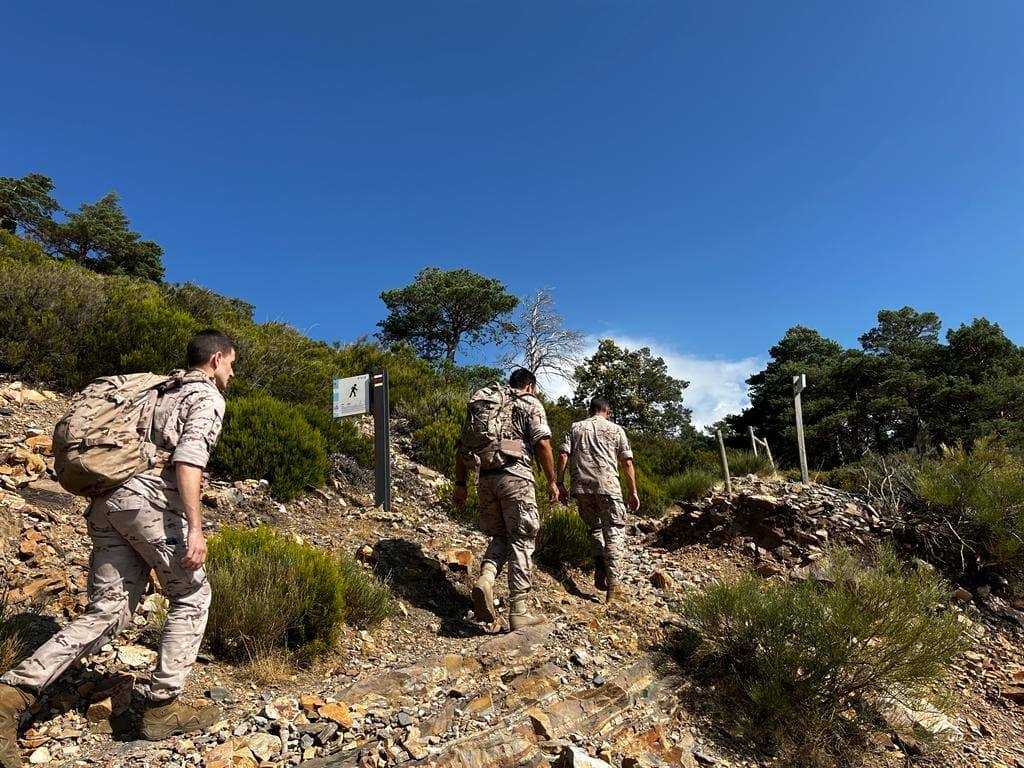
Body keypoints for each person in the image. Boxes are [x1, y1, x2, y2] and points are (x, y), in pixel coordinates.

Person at [0, 330, 236, 766]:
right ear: (216, 359)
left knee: (107, 611)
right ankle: (162, 708)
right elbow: (188, 462)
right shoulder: (204, 398)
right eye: (231, 364)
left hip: (106, 502)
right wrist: (195, 529)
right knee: (191, 593)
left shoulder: (152, 388)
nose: (232, 373)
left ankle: (11, 696)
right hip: (148, 503)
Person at [453, 369, 561, 631]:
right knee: (523, 539)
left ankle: (487, 579)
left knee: (500, 536)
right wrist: (552, 481)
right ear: (530, 387)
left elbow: (461, 447)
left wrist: (460, 485)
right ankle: (519, 610)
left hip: (485, 479)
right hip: (516, 478)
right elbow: (543, 444)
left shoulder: (487, 404)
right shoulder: (528, 403)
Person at [556, 396, 640, 602]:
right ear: (607, 410)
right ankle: (614, 586)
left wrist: (559, 483)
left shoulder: (575, 428)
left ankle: (600, 567)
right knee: (613, 531)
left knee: (594, 528)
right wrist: (633, 491)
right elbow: (627, 463)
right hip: (608, 486)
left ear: (590, 410)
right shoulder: (616, 429)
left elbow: (563, 455)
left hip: (582, 487)